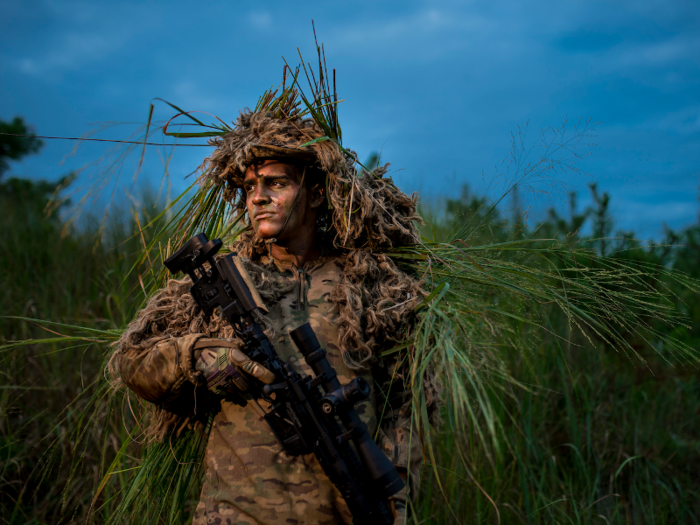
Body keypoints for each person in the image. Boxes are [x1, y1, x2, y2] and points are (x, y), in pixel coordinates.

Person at [110, 82, 439, 524]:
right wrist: (199, 357)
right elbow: (132, 364)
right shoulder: (224, 281)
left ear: (317, 194)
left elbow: (406, 405)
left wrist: (398, 502)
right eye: (250, 187)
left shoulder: (371, 287)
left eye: (276, 184)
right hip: (234, 515)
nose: (258, 197)